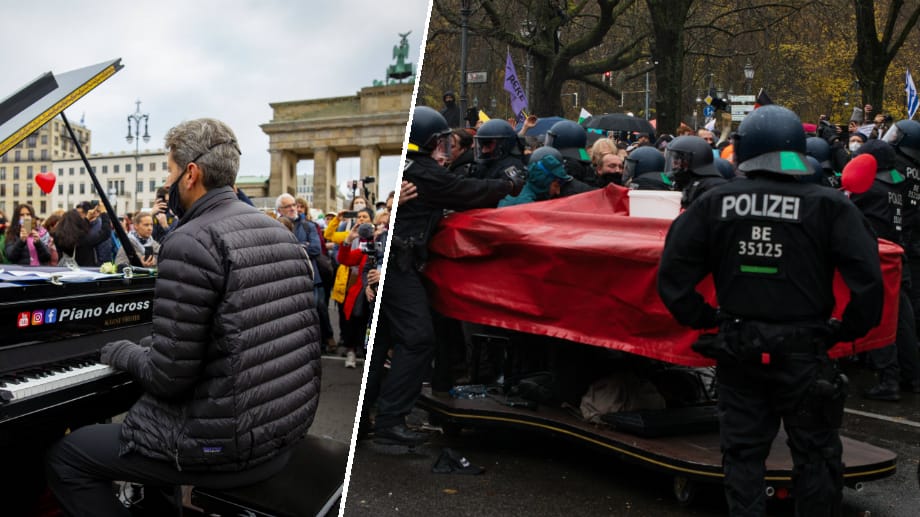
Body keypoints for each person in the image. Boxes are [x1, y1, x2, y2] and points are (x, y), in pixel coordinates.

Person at [45, 118, 321, 516]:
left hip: (225, 445)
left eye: (170, 171)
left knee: (67, 456)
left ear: (191, 173)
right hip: (281, 428)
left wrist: (120, 351)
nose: (168, 183)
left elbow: (169, 378)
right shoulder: (278, 231)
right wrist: (154, 347)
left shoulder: (191, 239)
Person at [657, 105, 884, 517]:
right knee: (816, 456)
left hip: (739, 348)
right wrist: (845, 330)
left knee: (742, 457)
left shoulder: (713, 203)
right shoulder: (830, 206)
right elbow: (869, 278)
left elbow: (672, 276)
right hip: (805, 351)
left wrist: (706, 318)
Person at [369, 106, 523, 445]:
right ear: (429, 140)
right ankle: (390, 422)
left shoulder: (412, 167)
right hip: (401, 264)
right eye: (440, 142)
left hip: (397, 262)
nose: (445, 148)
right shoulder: (424, 172)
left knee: (383, 342)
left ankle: (371, 417)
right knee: (418, 337)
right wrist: (508, 183)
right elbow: (465, 191)